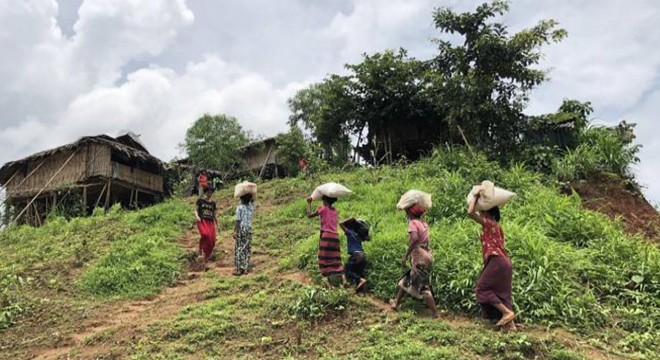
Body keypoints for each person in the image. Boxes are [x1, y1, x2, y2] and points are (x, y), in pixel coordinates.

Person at [467, 194, 516, 331]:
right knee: (502, 293)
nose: (480, 213)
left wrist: (476, 196)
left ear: (486, 212)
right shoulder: (498, 227)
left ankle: (507, 313)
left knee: (481, 289)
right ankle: (510, 326)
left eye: (481, 211)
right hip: (505, 262)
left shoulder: (488, 223)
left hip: (496, 260)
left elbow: (470, 212)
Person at [390, 204, 440, 319]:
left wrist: (406, 255)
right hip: (426, 254)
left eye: (407, 211)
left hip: (419, 257)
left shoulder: (413, 223)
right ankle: (396, 303)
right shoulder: (423, 223)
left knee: (423, 286)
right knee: (407, 279)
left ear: (410, 213)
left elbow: (414, 239)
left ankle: (435, 314)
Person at [306, 195, 347, 286]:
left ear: (325, 200)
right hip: (335, 236)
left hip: (326, 236)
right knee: (336, 258)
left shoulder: (322, 208)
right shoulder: (335, 211)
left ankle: (329, 284)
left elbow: (309, 215)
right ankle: (344, 280)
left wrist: (309, 203)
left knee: (323, 258)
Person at [340, 217, 369, 292]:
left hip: (356, 255)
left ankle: (361, 280)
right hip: (363, 256)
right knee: (358, 273)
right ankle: (362, 291)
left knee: (346, 270)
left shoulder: (350, 233)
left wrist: (352, 218)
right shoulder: (359, 236)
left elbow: (340, 224)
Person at [195, 186, 217, 269]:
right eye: (208, 192)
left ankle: (206, 257)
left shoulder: (213, 203)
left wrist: (217, 222)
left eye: (211, 192)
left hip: (210, 222)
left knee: (212, 240)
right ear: (205, 192)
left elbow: (214, 214)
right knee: (205, 234)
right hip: (202, 220)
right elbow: (196, 210)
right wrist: (197, 216)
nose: (210, 194)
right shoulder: (200, 201)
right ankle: (200, 250)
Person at [233, 193, 255, 276]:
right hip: (249, 229)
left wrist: (235, 231)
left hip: (242, 229)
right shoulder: (250, 207)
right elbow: (253, 202)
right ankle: (245, 268)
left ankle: (239, 269)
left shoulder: (240, 208)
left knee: (239, 247)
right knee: (247, 248)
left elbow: (238, 221)